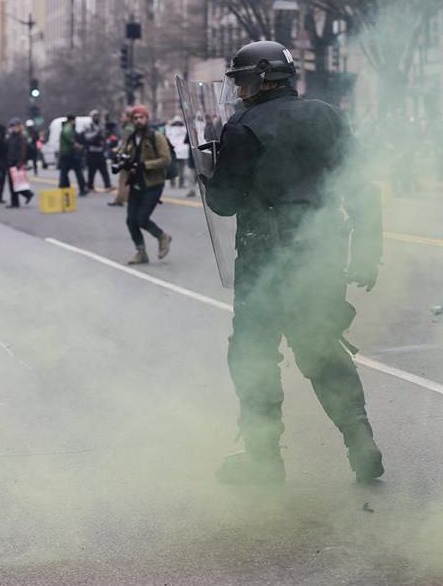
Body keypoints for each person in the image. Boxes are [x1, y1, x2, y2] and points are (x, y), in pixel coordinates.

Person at [206, 40, 384, 485]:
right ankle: (361, 442)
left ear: (264, 78)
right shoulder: (327, 115)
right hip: (322, 254)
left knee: (253, 356)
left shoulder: (243, 127)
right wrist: (366, 254)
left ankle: (263, 462)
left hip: (266, 260)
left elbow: (225, 204)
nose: (241, 89)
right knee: (322, 351)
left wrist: (208, 170)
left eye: (243, 79)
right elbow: (361, 188)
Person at [114, 105, 172, 264]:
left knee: (141, 218)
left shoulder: (156, 136)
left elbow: (166, 159)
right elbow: (125, 154)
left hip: (153, 184)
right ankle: (141, 252)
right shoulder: (131, 137)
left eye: (141, 117)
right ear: (132, 120)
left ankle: (163, 237)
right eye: (135, 118)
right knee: (131, 221)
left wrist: (146, 165)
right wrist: (121, 161)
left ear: (147, 118)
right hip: (136, 184)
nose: (139, 120)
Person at [108, 108, 135, 207]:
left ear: (128, 117)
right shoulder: (133, 127)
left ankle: (120, 199)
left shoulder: (128, 129)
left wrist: (118, 152)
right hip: (133, 156)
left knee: (123, 180)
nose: (121, 118)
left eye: (123, 116)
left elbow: (125, 144)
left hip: (127, 156)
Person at [5, 118, 33, 208]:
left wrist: (20, 162)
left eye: (15, 126)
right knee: (14, 183)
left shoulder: (21, 137)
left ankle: (17, 201)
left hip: (16, 162)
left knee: (16, 182)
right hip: (10, 161)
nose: (13, 128)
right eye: (12, 126)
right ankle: (26, 195)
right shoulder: (10, 137)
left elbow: (23, 151)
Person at [58, 115, 88, 197]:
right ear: (72, 120)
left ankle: (64, 188)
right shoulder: (68, 127)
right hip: (69, 153)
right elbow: (67, 135)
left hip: (65, 153)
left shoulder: (66, 126)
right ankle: (82, 188)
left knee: (64, 172)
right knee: (77, 171)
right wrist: (75, 144)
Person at [83, 109, 112, 192]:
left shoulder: (101, 126)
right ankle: (90, 186)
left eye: (98, 116)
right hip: (91, 152)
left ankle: (108, 185)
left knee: (104, 170)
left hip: (100, 151)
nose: (97, 117)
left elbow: (104, 136)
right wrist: (96, 132)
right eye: (95, 116)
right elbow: (87, 137)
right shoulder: (88, 126)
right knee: (91, 171)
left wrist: (105, 133)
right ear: (92, 117)